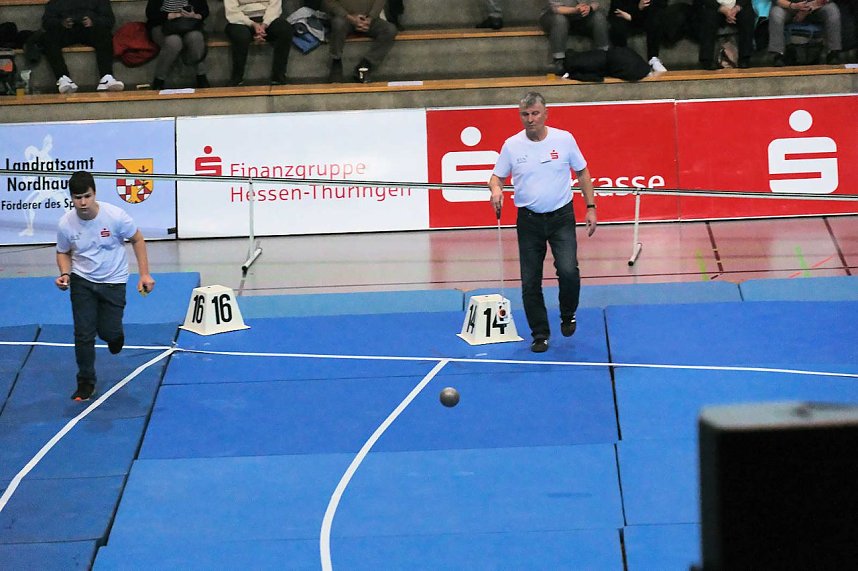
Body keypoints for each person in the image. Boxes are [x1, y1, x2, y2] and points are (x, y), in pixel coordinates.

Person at [488, 92, 597, 354]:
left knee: (569, 271)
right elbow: (496, 177)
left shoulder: (564, 139)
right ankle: (539, 334)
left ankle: (568, 314)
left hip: (561, 216)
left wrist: (590, 207)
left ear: (545, 113)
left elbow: (582, 172)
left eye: (535, 113)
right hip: (528, 221)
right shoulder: (512, 145)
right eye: (525, 115)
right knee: (530, 281)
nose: (530, 119)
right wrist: (496, 190)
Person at [55, 171, 155, 401]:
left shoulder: (115, 216)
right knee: (83, 333)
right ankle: (85, 382)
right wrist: (64, 274)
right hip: (82, 281)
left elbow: (138, 239)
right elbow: (62, 252)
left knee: (108, 332)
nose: (82, 202)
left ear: (94, 193)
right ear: (71, 197)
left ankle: (115, 335)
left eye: (87, 196)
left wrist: (144, 274)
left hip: (114, 281)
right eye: (77, 197)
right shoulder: (66, 224)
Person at [41, 0, 124, 93]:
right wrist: (61, 23)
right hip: (65, 31)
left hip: (91, 30)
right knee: (48, 38)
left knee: (105, 35)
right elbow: (46, 22)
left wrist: (93, 21)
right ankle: (63, 78)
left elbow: (109, 19)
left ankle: (106, 77)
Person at [323, 0, 398, 83]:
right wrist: (349, 17)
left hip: (369, 19)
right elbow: (328, 2)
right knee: (338, 24)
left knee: (390, 29)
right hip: (343, 18)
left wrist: (371, 17)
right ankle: (336, 63)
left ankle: (365, 65)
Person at [224, 0, 293, 86]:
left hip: (268, 19)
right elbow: (232, 11)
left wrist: (264, 24)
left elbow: (275, 7)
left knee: (285, 30)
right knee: (241, 36)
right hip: (240, 21)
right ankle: (237, 78)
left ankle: (278, 77)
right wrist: (252, 24)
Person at [146, 0, 210, 89]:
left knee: (196, 37)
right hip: (162, 25)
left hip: (189, 25)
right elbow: (151, 13)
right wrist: (170, 15)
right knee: (174, 42)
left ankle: (201, 76)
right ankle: (159, 79)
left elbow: (204, 11)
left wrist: (194, 16)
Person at [540, 0, 611, 75]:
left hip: (582, 16)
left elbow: (596, 2)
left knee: (599, 17)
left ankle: (605, 55)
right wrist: (575, 10)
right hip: (554, 15)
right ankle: (558, 60)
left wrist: (589, 8)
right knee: (560, 20)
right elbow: (555, 8)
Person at [768, 0, 843, 65]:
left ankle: (833, 52)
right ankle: (778, 54)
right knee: (776, 13)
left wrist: (807, 10)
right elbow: (778, 1)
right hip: (789, 7)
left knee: (832, 11)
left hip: (816, 7)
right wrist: (793, 6)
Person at [609, 0, 669, 72]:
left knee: (655, 17)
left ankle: (653, 59)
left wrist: (633, 16)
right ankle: (622, 61)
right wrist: (637, 8)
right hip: (624, 15)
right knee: (617, 26)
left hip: (645, 16)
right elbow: (617, 9)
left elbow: (661, 5)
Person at [698, 0, 756, 69]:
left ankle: (745, 58)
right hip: (714, 6)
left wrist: (736, 8)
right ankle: (707, 60)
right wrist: (722, 9)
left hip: (737, 7)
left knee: (747, 15)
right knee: (708, 16)